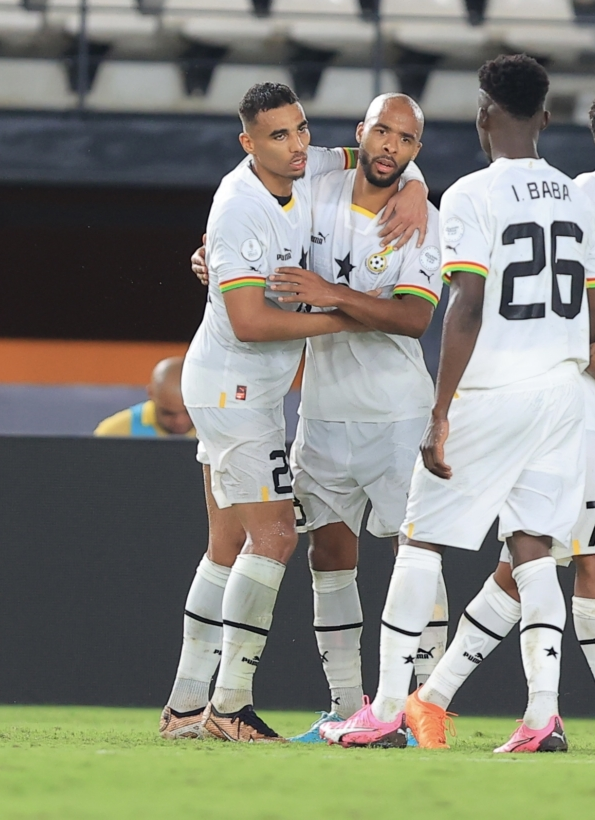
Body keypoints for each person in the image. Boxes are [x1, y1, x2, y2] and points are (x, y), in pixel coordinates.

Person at [321, 54, 595, 753]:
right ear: (545, 118)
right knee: (533, 548)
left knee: (420, 539)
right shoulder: (582, 199)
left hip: (493, 391)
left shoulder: (472, 195)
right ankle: (542, 716)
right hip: (562, 393)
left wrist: (441, 411)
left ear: (484, 115)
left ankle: (386, 710)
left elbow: (468, 305)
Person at [404, 80, 595, 755]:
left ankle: (432, 699)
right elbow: (550, 315)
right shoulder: (582, 200)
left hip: (585, 408)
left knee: (532, 564)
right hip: (557, 405)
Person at [159, 82, 429, 743]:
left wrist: (417, 187)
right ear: (249, 143)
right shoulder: (241, 206)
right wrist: (341, 313)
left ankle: (185, 706)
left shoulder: (308, 169)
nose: (298, 143)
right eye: (279, 135)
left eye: (301, 128)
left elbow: (377, 153)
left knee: (226, 545)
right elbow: (250, 323)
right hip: (235, 391)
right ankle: (230, 706)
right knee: (277, 536)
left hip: (244, 389)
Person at [266, 93, 447, 742]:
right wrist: (216, 253)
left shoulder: (424, 218)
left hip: (396, 414)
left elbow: (414, 317)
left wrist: (330, 295)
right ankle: (346, 706)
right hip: (322, 411)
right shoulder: (316, 186)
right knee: (328, 554)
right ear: (360, 133)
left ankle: (425, 708)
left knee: (415, 552)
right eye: (382, 132)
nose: (391, 146)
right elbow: (263, 194)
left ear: (416, 150)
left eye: (406, 139)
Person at [93, 356, 194, 437]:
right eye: (168, 413)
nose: (180, 421)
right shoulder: (112, 434)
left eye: (190, 412)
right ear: (151, 394)